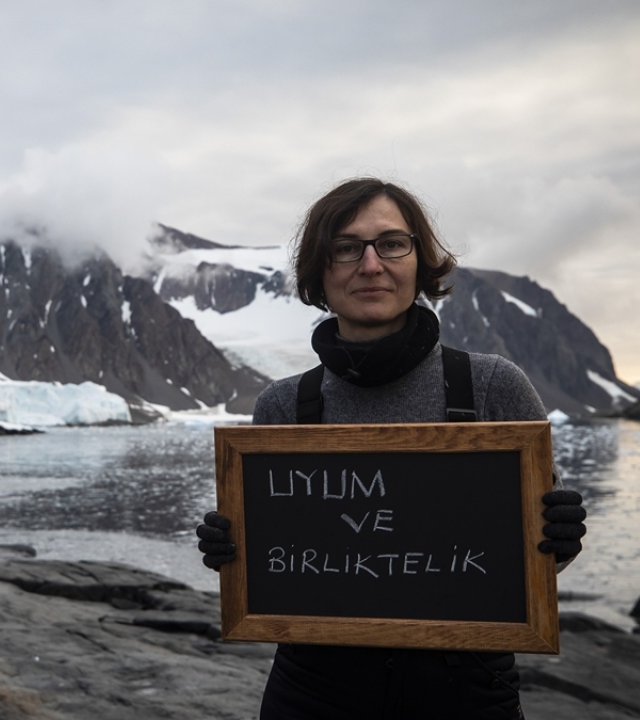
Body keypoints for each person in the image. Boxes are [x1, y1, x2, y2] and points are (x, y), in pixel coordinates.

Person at [196, 178, 586, 719]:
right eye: (346, 248)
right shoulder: (284, 407)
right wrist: (232, 553)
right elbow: (276, 569)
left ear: (420, 262)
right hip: (314, 693)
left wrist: (559, 537)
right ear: (320, 271)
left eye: (392, 244)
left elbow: (541, 563)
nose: (371, 265)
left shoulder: (493, 386)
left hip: (464, 694)